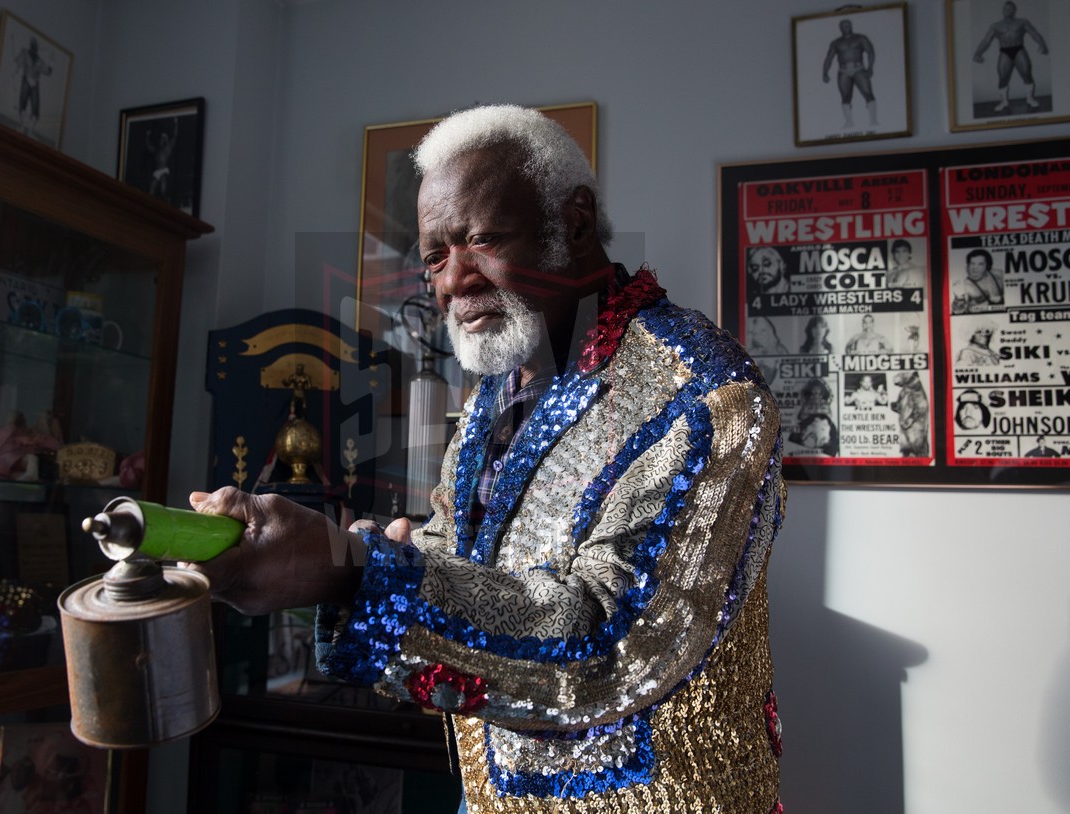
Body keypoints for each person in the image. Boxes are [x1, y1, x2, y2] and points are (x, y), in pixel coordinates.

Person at [190, 105, 786, 812]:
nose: (452, 280)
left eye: (481, 239)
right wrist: (349, 554)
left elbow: (614, 645)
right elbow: (453, 549)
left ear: (576, 223)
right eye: (435, 255)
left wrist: (349, 579)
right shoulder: (495, 395)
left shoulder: (707, 397)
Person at [973, 0, 1049, 112]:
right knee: (1003, 78)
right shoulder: (996, 26)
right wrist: (977, 53)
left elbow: (1034, 33)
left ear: (1014, 10)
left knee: (1026, 74)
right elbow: (986, 41)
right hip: (1004, 52)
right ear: (1002, 11)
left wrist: (1042, 45)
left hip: (1019, 50)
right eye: (1005, 9)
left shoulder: (1022, 22)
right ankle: (1004, 102)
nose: (1006, 10)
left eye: (1009, 9)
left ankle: (1030, 98)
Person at [822, 18, 877, 129]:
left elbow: (870, 52)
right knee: (845, 97)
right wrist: (825, 72)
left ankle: (873, 121)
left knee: (868, 93)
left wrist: (870, 68)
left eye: (848, 25)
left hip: (859, 69)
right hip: (843, 71)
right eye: (843, 25)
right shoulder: (836, 43)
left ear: (851, 26)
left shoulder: (860, 38)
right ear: (840, 28)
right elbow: (829, 59)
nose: (846, 27)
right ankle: (849, 122)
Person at [14, 37, 53, 137]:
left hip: (35, 84)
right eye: (33, 45)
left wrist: (50, 62)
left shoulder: (40, 61)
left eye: (35, 46)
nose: (34, 47)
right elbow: (17, 63)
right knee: (23, 102)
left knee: (35, 107)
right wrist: (16, 68)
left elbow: (48, 71)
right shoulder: (25, 53)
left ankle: (31, 130)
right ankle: (22, 126)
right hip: (26, 80)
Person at [951, 249, 1005, 313]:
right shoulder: (964, 286)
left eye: (980, 264)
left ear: (987, 266)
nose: (975, 268)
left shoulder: (998, 275)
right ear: (968, 265)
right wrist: (958, 304)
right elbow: (958, 312)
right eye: (972, 264)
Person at [147, 118, 179, 203]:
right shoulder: (157, 149)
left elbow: (175, 136)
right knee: (151, 191)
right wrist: (147, 136)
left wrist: (176, 124)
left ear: (166, 140)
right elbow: (149, 147)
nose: (162, 140)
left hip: (164, 170)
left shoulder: (168, 149)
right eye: (161, 138)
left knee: (163, 190)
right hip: (156, 171)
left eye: (164, 138)